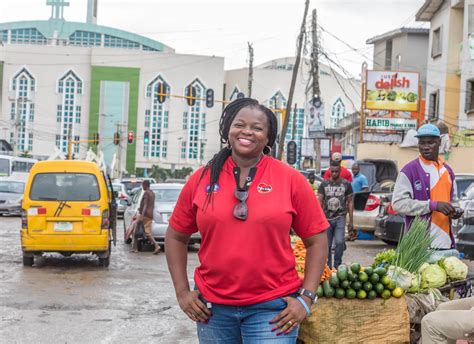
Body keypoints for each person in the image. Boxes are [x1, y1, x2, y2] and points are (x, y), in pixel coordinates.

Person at [165, 98, 329, 343]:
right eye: (239, 124)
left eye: (257, 128)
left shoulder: (290, 180)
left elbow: (317, 240)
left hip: (273, 309)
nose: (247, 132)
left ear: (268, 136)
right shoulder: (201, 178)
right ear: (227, 129)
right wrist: (182, 293)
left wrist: (305, 298)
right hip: (212, 310)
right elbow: (176, 236)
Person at [392, 124, 463, 249]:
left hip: (445, 243)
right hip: (419, 246)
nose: (425, 147)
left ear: (439, 141)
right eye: (422, 143)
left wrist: (455, 211)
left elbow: (454, 202)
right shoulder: (409, 170)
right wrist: (431, 205)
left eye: (430, 143)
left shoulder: (448, 171)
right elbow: (398, 204)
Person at [318, 162, 354, 268]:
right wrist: (319, 219)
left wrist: (351, 221)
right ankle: (328, 267)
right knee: (327, 245)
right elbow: (320, 202)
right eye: (332, 172)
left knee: (339, 242)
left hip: (340, 217)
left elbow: (350, 202)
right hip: (327, 218)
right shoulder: (324, 184)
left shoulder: (346, 184)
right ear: (330, 171)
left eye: (336, 172)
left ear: (340, 171)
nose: (334, 174)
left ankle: (337, 264)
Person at [133, 180, 160, 254]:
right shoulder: (152, 193)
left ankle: (135, 248)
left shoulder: (146, 193)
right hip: (150, 215)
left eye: (143, 185)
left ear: (145, 185)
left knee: (136, 231)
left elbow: (145, 205)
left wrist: (142, 214)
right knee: (148, 232)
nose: (142, 187)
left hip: (144, 215)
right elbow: (152, 205)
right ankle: (156, 245)